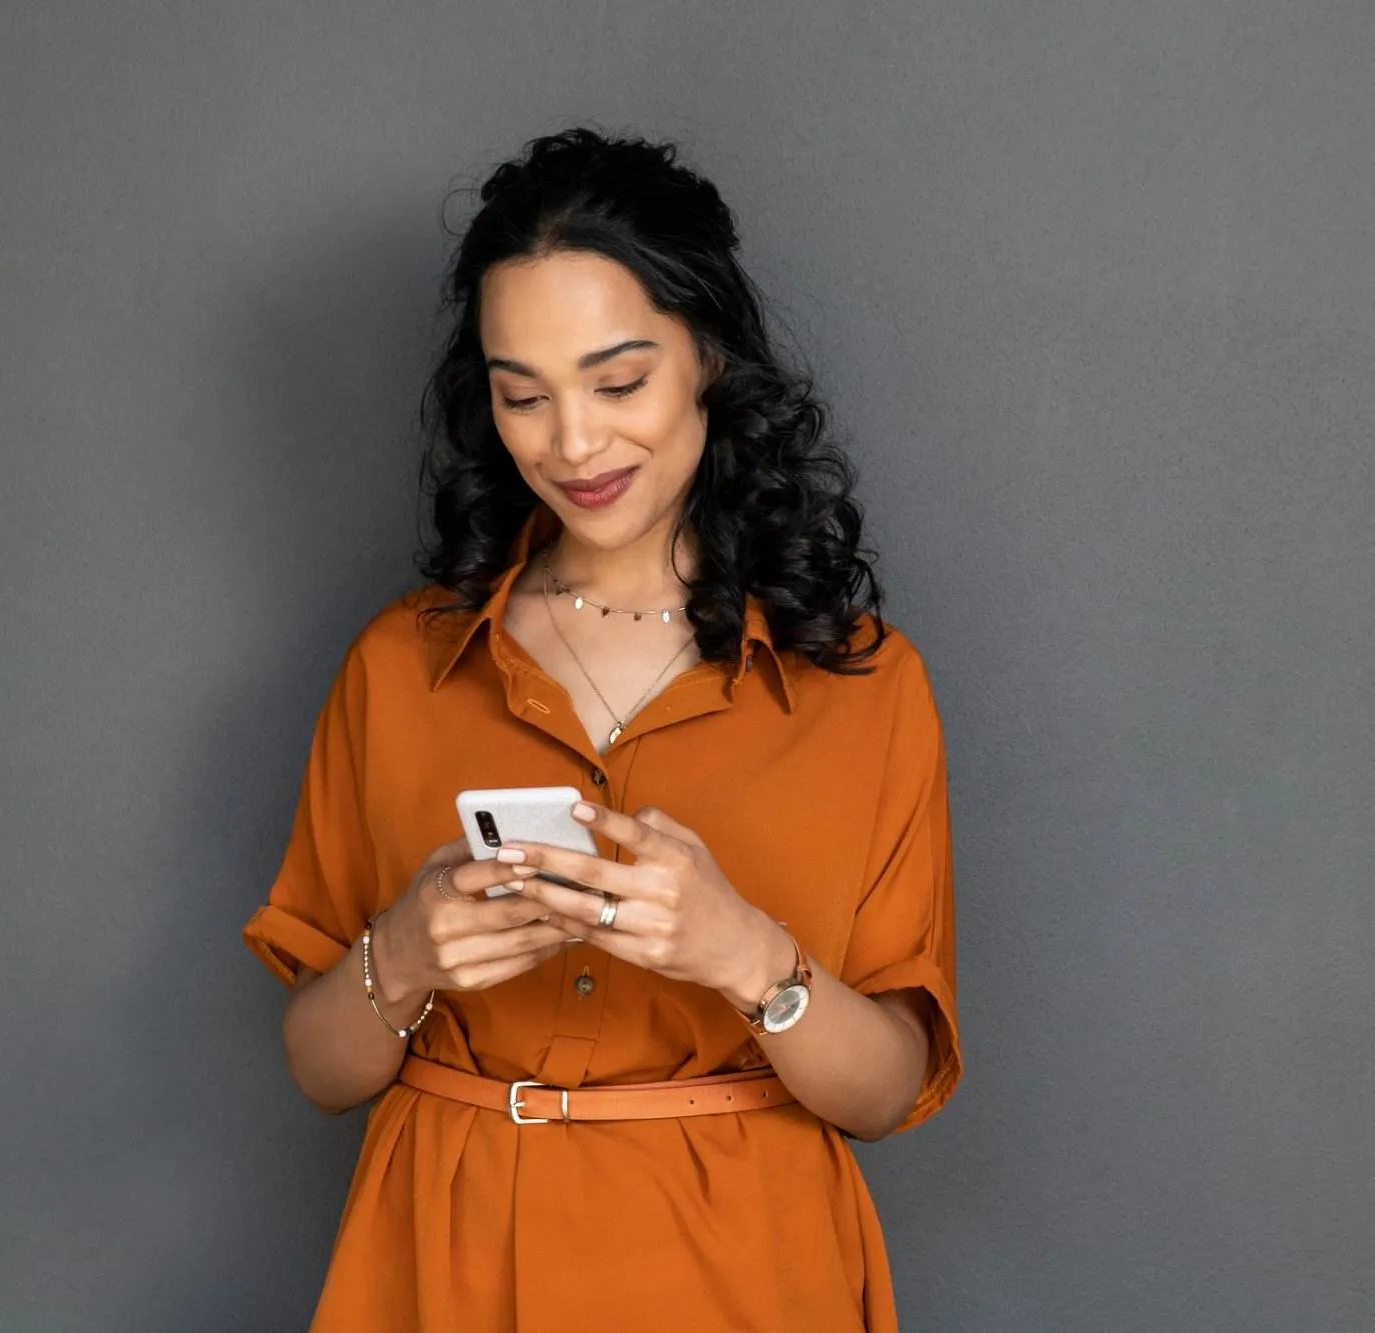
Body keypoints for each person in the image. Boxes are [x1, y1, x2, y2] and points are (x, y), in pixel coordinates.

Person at [241, 126, 962, 1332]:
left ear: (708, 358)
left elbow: (884, 1092)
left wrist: (743, 953)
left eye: (617, 383)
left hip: (739, 1267)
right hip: (442, 1255)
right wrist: (406, 954)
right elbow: (319, 1067)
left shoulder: (864, 688)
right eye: (523, 395)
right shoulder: (399, 666)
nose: (571, 445)